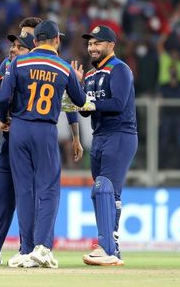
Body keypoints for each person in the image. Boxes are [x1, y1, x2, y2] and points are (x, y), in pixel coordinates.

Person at [0, 20, 87, 269]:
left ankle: (26, 249)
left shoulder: (18, 63)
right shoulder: (64, 67)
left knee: (24, 191)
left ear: (35, 41)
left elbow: (3, 97)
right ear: (57, 41)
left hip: (19, 129)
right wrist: (77, 81)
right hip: (45, 130)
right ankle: (43, 248)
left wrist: (5, 119)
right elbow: (78, 100)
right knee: (48, 189)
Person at [72, 25, 138, 266]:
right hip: (99, 135)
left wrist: (89, 104)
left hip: (120, 133)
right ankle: (112, 248)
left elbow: (118, 103)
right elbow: (87, 112)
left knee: (104, 189)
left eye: (98, 43)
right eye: (90, 44)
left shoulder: (119, 69)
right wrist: (78, 92)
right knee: (105, 194)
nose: (92, 47)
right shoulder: (90, 75)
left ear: (111, 45)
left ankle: (106, 247)